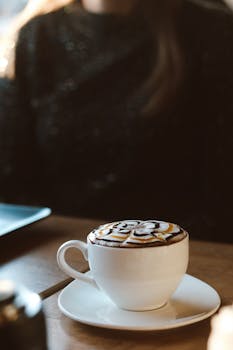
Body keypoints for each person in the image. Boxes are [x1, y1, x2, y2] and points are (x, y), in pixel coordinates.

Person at [0, 0, 233, 242]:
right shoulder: (36, 37)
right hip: (63, 255)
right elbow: (15, 185)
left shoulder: (210, 31)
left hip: (178, 258)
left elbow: (223, 201)